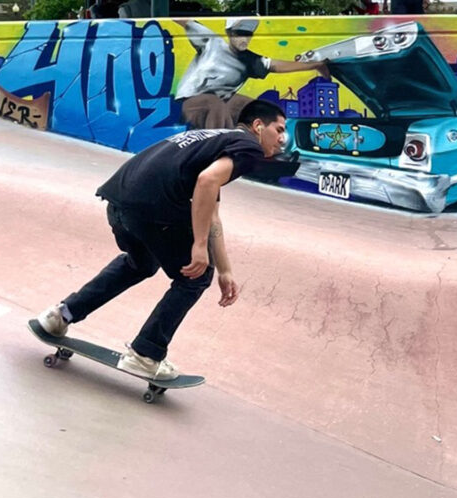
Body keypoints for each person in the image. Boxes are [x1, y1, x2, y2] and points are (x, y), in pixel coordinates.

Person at [33, 101, 286, 380]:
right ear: (258, 126)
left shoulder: (213, 140)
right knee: (195, 277)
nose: (283, 139)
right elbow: (206, 182)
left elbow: (210, 210)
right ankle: (145, 354)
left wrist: (225, 270)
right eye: (279, 129)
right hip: (151, 208)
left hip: (119, 201)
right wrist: (199, 247)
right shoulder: (248, 146)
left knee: (140, 263)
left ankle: (60, 316)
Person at [174, 18, 325, 129]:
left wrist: (314, 65)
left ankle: (258, 147)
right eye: (239, 33)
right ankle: (220, 153)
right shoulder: (212, 42)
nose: (244, 38)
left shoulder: (250, 60)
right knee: (216, 105)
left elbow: (276, 66)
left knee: (254, 107)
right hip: (189, 103)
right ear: (229, 33)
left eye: (248, 34)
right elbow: (186, 22)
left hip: (222, 102)